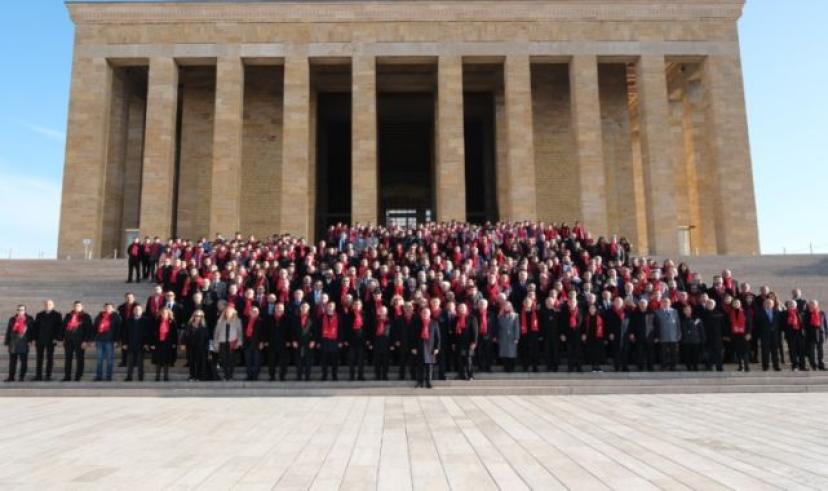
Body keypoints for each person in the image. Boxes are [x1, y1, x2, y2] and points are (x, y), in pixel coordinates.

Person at [60, 301, 93, 382]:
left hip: (80, 341)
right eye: (75, 306)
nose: (77, 307)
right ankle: (67, 376)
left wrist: (85, 341)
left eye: (78, 306)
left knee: (80, 359)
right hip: (68, 340)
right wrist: (62, 338)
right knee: (68, 359)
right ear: (73, 307)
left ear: (82, 307)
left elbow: (88, 329)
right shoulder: (68, 315)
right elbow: (63, 327)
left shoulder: (86, 316)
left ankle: (78, 375)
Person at [33, 300, 62, 381]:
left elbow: (59, 328)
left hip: (51, 340)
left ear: (53, 305)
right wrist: (34, 338)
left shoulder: (57, 315)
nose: (47, 305)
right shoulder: (39, 314)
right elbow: (35, 328)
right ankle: (38, 376)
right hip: (40, 339)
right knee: (39, 358)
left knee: (50, 358)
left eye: (49, 304)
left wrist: (57, 338)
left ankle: (48, 376)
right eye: (46, 304)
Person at [412, 307, 441, 389]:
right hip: (419, 347)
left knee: (429, 367)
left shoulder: (434, 323)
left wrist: (437, 348)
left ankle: (428, 382)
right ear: (421, 314)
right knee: (420, 366)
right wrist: (413, 347)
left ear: (429, 314)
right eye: (423, 312)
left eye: (426, 313)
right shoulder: (417, 322)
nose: (425, 314)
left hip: (430, 347)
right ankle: (420, 382)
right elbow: (413, 336)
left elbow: (437, 337)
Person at [92, 303, 122, 381]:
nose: (107, 309)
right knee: (99, 360)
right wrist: (93, 339)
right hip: (99, 340)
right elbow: (95, 328)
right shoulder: (99, 316)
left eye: (109, 307)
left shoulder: (116, 317)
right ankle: (99, 376)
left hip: (110, 341)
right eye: (106, 307)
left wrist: (116, 340)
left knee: (109, 360)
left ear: (113, 309)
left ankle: (109, 376)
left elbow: (118, 330)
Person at [5, 305, 33, 382]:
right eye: (19, 309)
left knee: (24, 361)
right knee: (12, 362)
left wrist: (31, 340)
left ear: (25, 310)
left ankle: (21, 377)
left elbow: (32, 330)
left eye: (22, 310)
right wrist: (7, 342)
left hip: (24, 342)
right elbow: (9, 330)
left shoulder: (29, 319)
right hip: (13, 342)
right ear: (17, 310)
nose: (20, 311)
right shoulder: (12, 319)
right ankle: (11, 377)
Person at [123, 304, 151, 381]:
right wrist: (124, 343)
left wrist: (146, 343)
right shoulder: (129, 320)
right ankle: (129, 376)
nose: (137, 311)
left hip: (141, 345)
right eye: (136, 309)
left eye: (139, 310)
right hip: (131, 344)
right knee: (130, 362)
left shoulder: (146, 320)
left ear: (142, 311)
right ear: (133, 311)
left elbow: (148, 333)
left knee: (140, 363)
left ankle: (140, 377)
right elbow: (125, 332)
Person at [213, 305, 242, 380]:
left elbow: (240, 333)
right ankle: (226, 375)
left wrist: (239, 342)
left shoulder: (237, 321)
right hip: (222, 342)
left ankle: (230, 375)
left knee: (231, 360)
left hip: (232, 342)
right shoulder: (220, 321)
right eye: (227, 312)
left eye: (230, 312)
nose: (228, 313)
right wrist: (215, 344)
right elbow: (216, 333)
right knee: (223, 359)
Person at [265, 300, 291, 381]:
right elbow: (265, 330)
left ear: (283, 309)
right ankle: (272, 376)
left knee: (283, 361)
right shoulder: (269, 318)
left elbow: (291, 331)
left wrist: (289, 341)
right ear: (274, 309)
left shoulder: (287, 318)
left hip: (283, 343)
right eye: (277, 308)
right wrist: (265, 340)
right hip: (271, 342)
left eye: (280, 308)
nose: (279, 309)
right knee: (271, 360)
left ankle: (282, 376)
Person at [754, 298, 782, 371]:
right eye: (766, 303)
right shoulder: (759, 313)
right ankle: (765, 366)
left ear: (773, 304)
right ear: (763, 304)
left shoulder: (777, 312)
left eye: (770, 303)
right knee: (765, 351)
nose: (768, 304)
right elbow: (757, 325)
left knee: (775, 351)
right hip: (764, 335)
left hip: (774, 335)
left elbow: (779, 324)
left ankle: (776, 366)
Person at [182, 309, 210, 381]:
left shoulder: (204, 326)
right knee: (191, 362)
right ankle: (192, 376)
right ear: (194, 316)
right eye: (197, 315)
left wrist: (207, 348)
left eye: (200, 316)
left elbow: (207, 338)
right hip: (191, 347)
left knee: (200, 362)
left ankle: (199, 376)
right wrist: (183, 344)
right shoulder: (189, 326)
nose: (198, 317)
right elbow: (184, 336)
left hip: (201, 348)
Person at [319, 302, 344, 381]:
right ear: (326, 307)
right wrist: (318, 341)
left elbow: (341, 329)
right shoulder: (322, 317)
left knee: (334, 360)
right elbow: (318, 329)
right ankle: (324, 375)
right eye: (329, 306)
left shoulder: (339, 317)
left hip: (335, 340)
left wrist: (340, 341)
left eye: (331, 306)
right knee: (324, 360)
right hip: (324, 340)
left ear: (334, 307)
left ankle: (334, 375)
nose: (330, 307)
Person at [151, 307, 178, 381]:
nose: (164, 314)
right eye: (162, 313)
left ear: (169, 314)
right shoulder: (157, 321)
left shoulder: (172, 322)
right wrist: (153, 343)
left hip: (168, 343)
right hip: (158, 343)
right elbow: (153, 333)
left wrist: (174, 343)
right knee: (158, 360)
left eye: (166, 313)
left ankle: (166, 377)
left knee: (166, 361)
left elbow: (175, 334)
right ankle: (157, 376)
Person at [453, 303, 478, 380]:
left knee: (468, 359)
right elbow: (454, 332)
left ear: (466, 309)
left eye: (463, 308)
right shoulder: (456, 318)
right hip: (459, 342)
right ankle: (461, 374)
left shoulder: (471, 318)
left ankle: (470, 375)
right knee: (460, 359)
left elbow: (475, 331)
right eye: (460, 308)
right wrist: (453, 343)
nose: (461, 309)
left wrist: (474, 342)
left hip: (468, 342)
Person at [654, 299, 681, 371]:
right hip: (663, 335)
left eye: (667, 302)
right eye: (664, 302)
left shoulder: (675, 311)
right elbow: (656, 325)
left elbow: (678, 324)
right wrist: (657, 336)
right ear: (661, 303)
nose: (665, 303)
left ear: (670, 303)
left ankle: (673, 366)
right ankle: (663, 365)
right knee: (663, 352)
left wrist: (679, 334)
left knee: (674, 352)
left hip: (673, 335)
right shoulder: (657, 312)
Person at [292, 303, 315, 381]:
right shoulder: (295, 318)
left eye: (306, 307)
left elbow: (315, 331)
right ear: (300, 308)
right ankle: (299, 376)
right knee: (298, 360)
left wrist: (313, 341)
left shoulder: (312, 318)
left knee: (308, 360)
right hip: (298, 342)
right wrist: (293, 340)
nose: (304, 308)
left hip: (308, 342)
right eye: (303, 307)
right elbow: (292, 331)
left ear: (308, 309)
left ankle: (307, 377)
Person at [701, 299, 725, 372]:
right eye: (708, 303)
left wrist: (724, 335)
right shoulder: (703, 314)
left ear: (714, 305)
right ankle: (709, 366)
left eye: (711, 304)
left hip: (718, 337)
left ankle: (719, 367)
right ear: (706, 305)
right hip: (707, 337)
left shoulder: (719, 314)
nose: (710, 305)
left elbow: (723, 326)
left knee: (719, 353)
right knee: (708, 353)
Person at [728, 299, 751, 372]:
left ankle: (747, 366)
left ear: (740, 304)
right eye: (734, 303)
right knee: (738, 352)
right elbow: (729, 325)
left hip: (744, 334)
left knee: (745, 351)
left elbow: (749, 324)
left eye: (737, 303)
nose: (736, 304)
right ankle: (740, 366)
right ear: (732, 305)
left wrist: (749, 333)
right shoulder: (731, 313)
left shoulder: (745, 312)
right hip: (735, 335)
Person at [242, 306, 264, 381]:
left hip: (257, 343)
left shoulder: (260, 321)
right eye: (252, 311)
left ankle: (255, 376)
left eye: (255, 311)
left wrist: (262, 342)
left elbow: (263, 333)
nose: (254, 312)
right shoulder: (245, 320)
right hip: (247, 342)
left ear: (258, 313)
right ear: (249, 312)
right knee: (248, 361)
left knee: (256, 361)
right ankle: (249, 376)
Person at [679, 304, 705, 371]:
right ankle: (688, 367)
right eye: (685, 310)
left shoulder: (697, 318)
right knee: (687, 355)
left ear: (691, 310)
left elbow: (701, 330)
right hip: (685, 340)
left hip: (696, 340)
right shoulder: (681, 319)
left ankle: (695, 367)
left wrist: (703, 338)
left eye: (688, 309)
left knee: (695, 355)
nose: (687, 311)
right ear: (683, 311)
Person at [561, 299, 584, 373]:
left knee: (578, 351)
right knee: (569, 352)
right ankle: (570, 367)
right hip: (568, 334)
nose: (572, 303)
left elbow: (583, 323)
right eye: (570, 302)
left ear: (576, 303)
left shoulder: (580, 311)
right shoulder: (564, 312)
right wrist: (562, 334)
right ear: (568, 303)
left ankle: (579, 367)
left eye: (573, 302)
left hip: (578, 334)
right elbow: (561, 324)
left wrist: (584, 333)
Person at [346, 300, 367, 381]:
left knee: (360, 360)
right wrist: (346, 339)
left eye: (358, 304)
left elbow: (367, 327)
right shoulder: (349, 315)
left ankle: (360, 376)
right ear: (353, 306)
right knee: (351, 360)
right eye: (355, 304)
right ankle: (352, 376)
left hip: (361, 340)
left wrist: (367, 339)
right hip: (351, 340)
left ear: (361, 306)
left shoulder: (364, 314)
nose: (357, 305)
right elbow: (346, 328)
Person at [519, 298, 541, 372]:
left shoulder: (536, 312)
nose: (527, 303)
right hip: (524, 334)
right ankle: (525, 366)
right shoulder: (520, 312)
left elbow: (540, 323)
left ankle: (535, 367)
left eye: (529, 302)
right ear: (523, 303)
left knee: (534, 351)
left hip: (534, 334)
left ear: (531, 303)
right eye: (526, 302)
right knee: (525, 351)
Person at [782, 300, 805, 371]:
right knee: (792, 351)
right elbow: (782, 325)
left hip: (800, 334)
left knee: (801, 351)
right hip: (790, 335)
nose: (791, 305)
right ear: (787, 306)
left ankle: (802, 366)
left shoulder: (800, 313)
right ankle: (794, 365)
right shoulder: (784, 313)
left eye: (793, 304)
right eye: (790, 304)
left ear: (796, 305)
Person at [497, 303, 520, 372]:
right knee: (504, 352)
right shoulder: (500, 316)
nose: (506, 307)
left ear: (511, 307)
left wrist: (516, 337)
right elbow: (498, 327)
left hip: (512, 337)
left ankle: (511, 367)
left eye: (508, 306)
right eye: (505, 306)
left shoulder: (515, 316)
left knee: (512, 353)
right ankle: (506, 367)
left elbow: (517, 327)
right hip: (503, 336)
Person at [475, 299, 496, 373]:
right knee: (479, 352)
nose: (482, 305)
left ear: (486, 305)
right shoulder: (474, 314)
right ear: (478, 305)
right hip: (478, 336)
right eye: (480, 304)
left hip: (488, 335)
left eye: (483, 304)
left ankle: (488, 367)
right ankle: (480, 367)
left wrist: (494, 336)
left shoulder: (491, 314)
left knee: (488, 352)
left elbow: (494, 326)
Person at [371, 306, 392, 380]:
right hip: (377, 343)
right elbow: (371, 333)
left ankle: (385, 375)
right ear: (379, 312)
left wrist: (392, 344)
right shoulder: (375, 321)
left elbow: (393, 333)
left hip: (386, 343)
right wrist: (371, 343)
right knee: (377, 361)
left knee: (386, 361)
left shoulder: (389, 321)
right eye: (381, 311)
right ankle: (377, 375)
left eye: (384, 311)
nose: (382, 312)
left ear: (386, 312)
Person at [804, 300, 826, 371]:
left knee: (820, 351)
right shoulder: (806, 313)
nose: (812, 305)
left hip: (820, 334)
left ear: (817, 305)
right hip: (811, 335)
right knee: (812, 351)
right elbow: (804, 325)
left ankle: (821, 365)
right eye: (810, 304)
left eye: (813, 304)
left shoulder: (821, 313)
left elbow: (825, 324)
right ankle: (813, 365)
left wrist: (826, 333)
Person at [584, 304, 607, 372]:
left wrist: (604, 337)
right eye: (590, 308)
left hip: (598, 337)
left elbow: (604, 327)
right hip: (589, 337)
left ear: (596, 309)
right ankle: (593, 366)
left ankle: (598, 367)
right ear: (588, 310)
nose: (592, 310)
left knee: (598, 352)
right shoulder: (586, 317)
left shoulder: (600, 317)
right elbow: (583, 327)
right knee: (591, 352)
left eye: (593, 308)